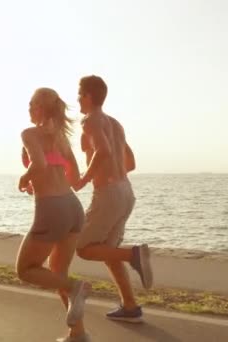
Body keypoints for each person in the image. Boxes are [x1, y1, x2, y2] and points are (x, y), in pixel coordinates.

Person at [73, 75, 153, 323]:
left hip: (108, 193)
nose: (77, 98)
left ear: (87, 96)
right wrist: (113, 178)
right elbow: (130, 162)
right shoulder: (115, 124)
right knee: (109, 252)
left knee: (83, 248)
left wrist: (84, 179)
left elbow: (103, 152)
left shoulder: (90, 121)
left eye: (79, 93)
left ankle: (134, 256)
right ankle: (130, 306)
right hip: (126, 192)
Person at [16, 87, 92, 342]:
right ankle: (78, 333)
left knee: (26, 269)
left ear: (40, 107)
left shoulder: (29, 134)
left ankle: (76, 288)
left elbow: (40, 164)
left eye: (31, 103)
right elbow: (74, 174)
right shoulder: (61, 136)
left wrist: (25, 177)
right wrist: (40, 182)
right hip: (73, 206)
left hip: (52, 209)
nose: (28, 107)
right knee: (57, 273)